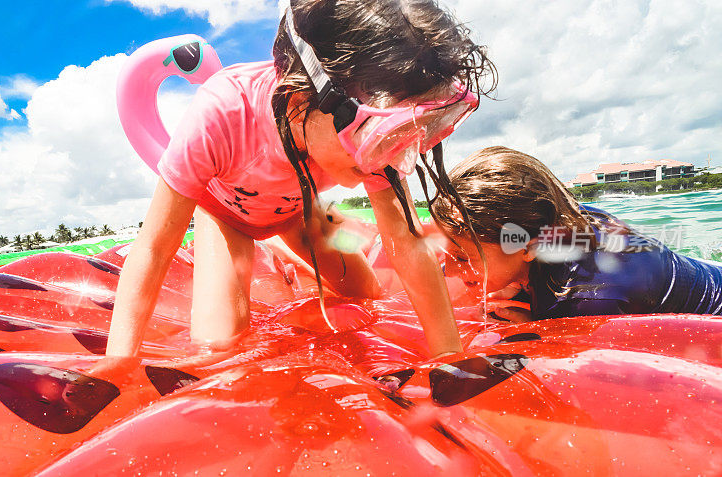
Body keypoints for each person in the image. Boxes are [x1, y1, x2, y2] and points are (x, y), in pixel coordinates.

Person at [105, 0, 496, 358]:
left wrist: (451, 359)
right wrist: (119, 363)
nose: (392, 155)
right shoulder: (222, 112)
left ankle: (284, 248)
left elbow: (407, 242)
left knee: (368, 296)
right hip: (226, 213)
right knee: (220, 343)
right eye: (380, 137)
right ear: (297, 101)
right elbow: (153, 249)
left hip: (299, 209)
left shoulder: (370, 126)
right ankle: (273, 248)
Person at [430, 146, 722, 321]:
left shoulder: (586, 298)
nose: (448, 270)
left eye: (461, 257)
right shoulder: (557, 218)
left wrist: (539, 324)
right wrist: (519, 281)